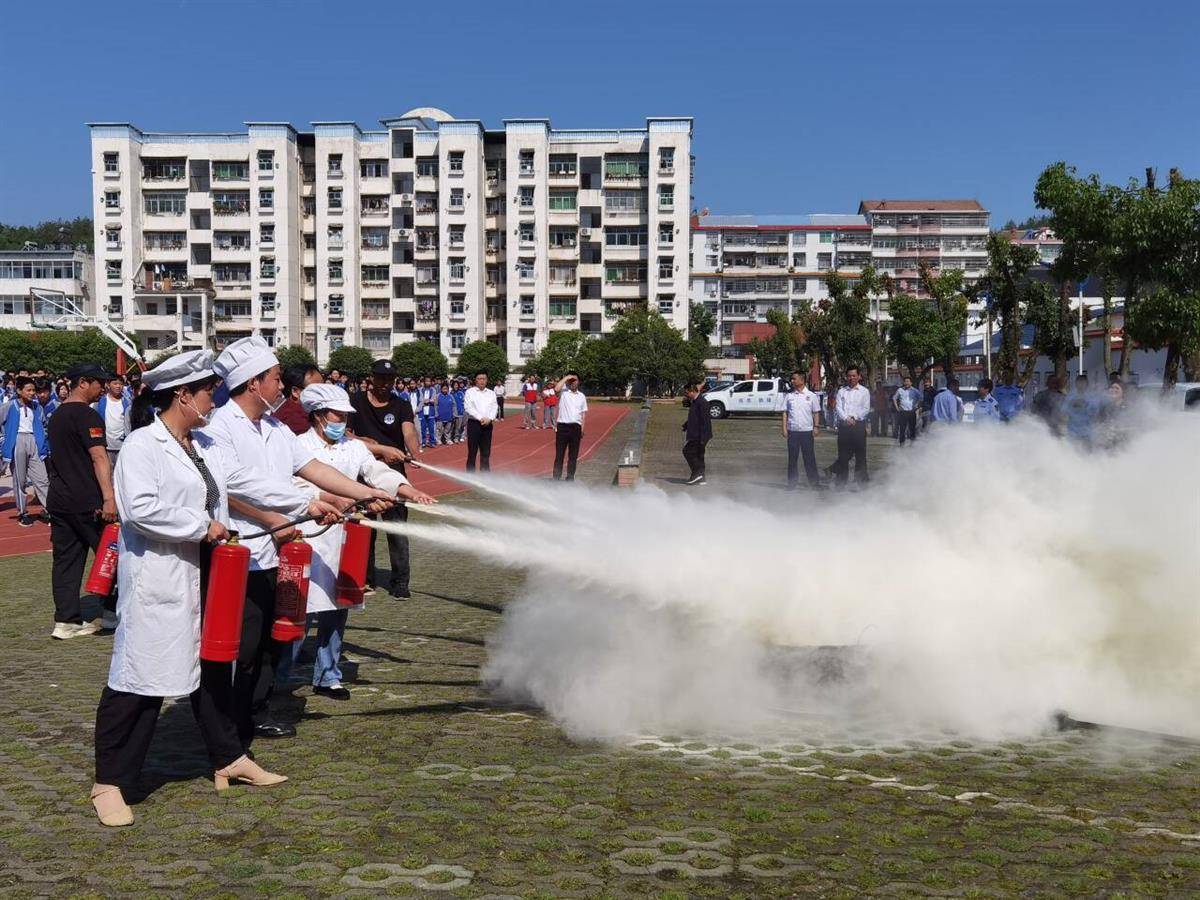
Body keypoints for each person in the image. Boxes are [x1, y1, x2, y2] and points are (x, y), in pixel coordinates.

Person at [90, 350, 277, 829]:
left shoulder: (204, 444)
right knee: (140, 680)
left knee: (212, 668)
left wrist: (313, 501)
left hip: (207, 573)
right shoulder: (143, 446)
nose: (214, 399)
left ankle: (228, 757)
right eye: (208, 391)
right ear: (182, 395)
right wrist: (201, 525)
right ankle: (110, 782)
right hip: (164, 576)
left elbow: (247, 484)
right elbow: (140, 509)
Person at [203, 337, 392, 746]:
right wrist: (300, 505)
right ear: (253, 383)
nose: (282, 386)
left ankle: (256, 712)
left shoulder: (275, 428)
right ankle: (229, 721)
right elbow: (230, 486)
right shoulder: (220, 428)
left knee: (273, 639)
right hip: (241, 550)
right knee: (245, 643)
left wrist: (363, 494)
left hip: (278, 549)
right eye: (275, 378)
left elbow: (313, 468)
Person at [287, 384, 435, 697]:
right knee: (301, 609)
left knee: (338, 605)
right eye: (337, 415)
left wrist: (407, 491)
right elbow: (296, 487)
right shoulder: (298, 445)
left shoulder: (352, 448)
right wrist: (331, 499)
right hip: (309, 535)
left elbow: (376, 471)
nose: (342, 421)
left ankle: (328, 675)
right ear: (318, 415)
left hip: (344, 536)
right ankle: (278, 676)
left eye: (345, 416)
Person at [45, 364, 118, 638]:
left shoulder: (57, 415)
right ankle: (111, 613)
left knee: (65, 561)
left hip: (60, 499)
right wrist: (109, 497)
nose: (103, 388)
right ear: (83, 382)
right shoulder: (87, 415)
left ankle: (66, 620)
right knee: (112, 556)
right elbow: (99, 457)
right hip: (88, 501)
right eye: (99, 382)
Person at [349, 359, 421, 600]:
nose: (385, 384)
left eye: (390, 380)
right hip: (363, 474)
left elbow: (408, 430)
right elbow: (347, 434)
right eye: (381, 378)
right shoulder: (355, 401)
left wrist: (414, 450)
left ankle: (400, 582)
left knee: (397, 529)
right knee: (365, 529)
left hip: (393, 474)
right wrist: (373, 446)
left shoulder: (401, 405)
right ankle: (365, 579)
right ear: (371, 378)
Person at [2, 376, 51, 526]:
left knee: (42, 479)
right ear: (19, 391)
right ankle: (22, 512)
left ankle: (49, 509)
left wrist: (43, 439)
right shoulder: (10, 406)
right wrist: (3, 439)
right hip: (17, 440)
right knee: (20, 480)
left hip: (35, 441)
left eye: (33, 390)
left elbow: (44, 424)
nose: (32, 393)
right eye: (28, 390)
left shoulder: (37, 407)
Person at [782, 371, 822, 489]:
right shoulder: (789, 396)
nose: (792, 381)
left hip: (807, 432)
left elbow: (816, 412)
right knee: (792, 459)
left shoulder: (811, 396)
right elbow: (785, 413)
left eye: (794, 379)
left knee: (809, 458)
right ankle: (792, 483)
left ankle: (814, 483)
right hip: (793, 431)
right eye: (792, 379)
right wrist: (784, 428)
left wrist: (816, 427)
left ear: (802, 380)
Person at [831, 366, 871, 484]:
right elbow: (838, 407)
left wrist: (855, 418)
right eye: (849, 376)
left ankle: (861, 482)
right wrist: (846, 418)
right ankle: (841, 481)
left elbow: (866, 408)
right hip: (844, 426)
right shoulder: (842, 391)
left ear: (859, 376)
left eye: (854, 375)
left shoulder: (864, 391)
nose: (851, 378)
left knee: (860, 454)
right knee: (843, 455)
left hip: (858, 425)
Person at [553, 372, 587, 481]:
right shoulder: (563, 393)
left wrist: (582, 429)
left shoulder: (581, 396)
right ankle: (556, 477)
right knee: (559, 455)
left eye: (575, 380)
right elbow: (556, 389)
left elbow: (583, 414)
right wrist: (567, 377)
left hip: (576, 428)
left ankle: (570, 477)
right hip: (563, 427)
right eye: (571, 381)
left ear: (579, 382)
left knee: (573, 456)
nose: (573, 382)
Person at [275, 363, 323, 436]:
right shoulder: (294, 422)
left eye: (323, 386)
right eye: (316, 389)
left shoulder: (312, 411)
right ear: (295, 392)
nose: (323, 392)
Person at [464, 371, 498, 472]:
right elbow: (468, 407)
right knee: (472, 452)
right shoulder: (470, 392)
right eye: (480, 379)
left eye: (484, 379)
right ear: (476, 380)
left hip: (488, 425)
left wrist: (490, 418)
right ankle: (470, 475)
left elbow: (494, 407)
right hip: (474, 424)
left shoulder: (491, 393)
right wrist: (481, 418)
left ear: (487, 380)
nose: (482, 381)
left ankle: (485, 475)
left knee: (486, 452)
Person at [96, 374, 131, 466]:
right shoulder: (101, 402)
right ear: (108, 384)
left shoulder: (127, 401)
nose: (118, 386)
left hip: (123, 444)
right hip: (106, 444)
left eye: (121, 384)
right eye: (115, 383)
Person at [681, 382, 712, 485]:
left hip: (699, 435)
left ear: (693, 391)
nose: (686, 395)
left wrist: (703, 438)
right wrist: (686, 425)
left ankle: (697, 473)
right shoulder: (695, 401)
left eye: (687, 393)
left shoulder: (702, 403)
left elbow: (705, 421)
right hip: (696, 433)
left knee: (687, 451)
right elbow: (695, 417)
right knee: (699, 456)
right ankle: (702, 478)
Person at [1062, 375, 1101, 445]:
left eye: (1083, 382)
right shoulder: (1070, 396)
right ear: (1076, 383)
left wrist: (1086, 405)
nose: (1081, 384)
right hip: (1072, 432)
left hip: (1087, 433)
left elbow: (1095, 413)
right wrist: (1072, 404)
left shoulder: (1092, 397)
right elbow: (1063, 410)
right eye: (1079, 382)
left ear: (1087, 384)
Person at [892, 375, 921, 445]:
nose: (906, 383)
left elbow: (921, 398)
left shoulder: (915, 391)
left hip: (912, 412)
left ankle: (912, 444)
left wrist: (917, 406)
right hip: (903, 412)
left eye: (908, 381)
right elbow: (894, 398)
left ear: (911, 383)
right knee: (902, 429)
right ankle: (902, 444)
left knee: (912, 429)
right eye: (905, 381)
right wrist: (897, 408)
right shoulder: (900, 390)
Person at [418, 377, 437, 448]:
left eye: (429, 381)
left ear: (431, 382)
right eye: (426, 381)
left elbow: (434, 399)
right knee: (423, 428)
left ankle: (432, 442)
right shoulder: (420, 389)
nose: (427, 382)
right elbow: (420, 399)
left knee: (431, 428)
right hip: (422, 411)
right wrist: (424, 401)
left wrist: (429, 400)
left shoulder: (433, 390)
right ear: (424, 382)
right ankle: (423, 442)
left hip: (431, 410)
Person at [451, 378, 467, 443]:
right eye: (455, 385)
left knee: (459, 426)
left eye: (457, 385)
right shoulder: (450, 393)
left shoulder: (461, 393)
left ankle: (456, 437)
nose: (456, 386)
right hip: (453, 413)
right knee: (452, 426)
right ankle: (451, 437)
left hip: (460, 412)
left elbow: (464, 401)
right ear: (452, 386)